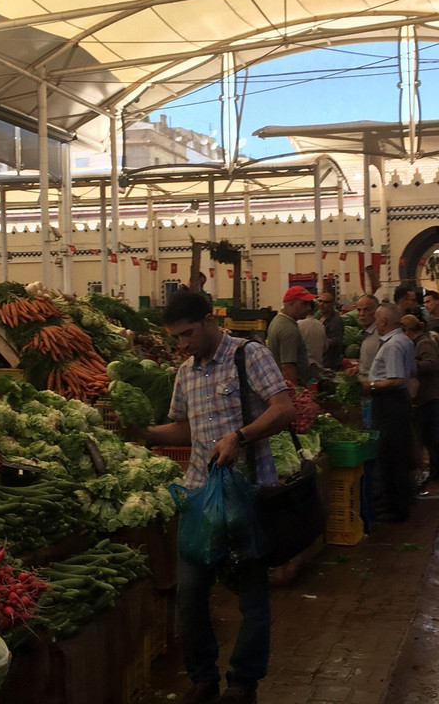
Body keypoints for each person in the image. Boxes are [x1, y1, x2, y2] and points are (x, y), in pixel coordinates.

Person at [146, 290, 296, 704]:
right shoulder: (185, 373)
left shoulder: (249, 355)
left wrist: (240, 436)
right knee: (190, 596)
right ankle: (202, 678)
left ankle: (242, 683)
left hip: (246, 497)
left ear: (209, 321)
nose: (183, 344)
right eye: (176, 338)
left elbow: (284, 410)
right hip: (199, 496)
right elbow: (185, 430)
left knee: (252, 597)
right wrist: (145, 434)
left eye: (188, 334)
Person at [359, 304, 415, 522]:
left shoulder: (392, 345)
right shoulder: (404, 340)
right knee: (398, 454)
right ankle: (399, 503)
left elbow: (397, 379)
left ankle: (397, 509)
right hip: (398, 403)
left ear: (383, 322)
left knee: (391, 456)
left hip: (390, 403)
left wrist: (371, 386)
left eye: (376, 317)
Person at [401, 314, 439, 498]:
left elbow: (432, 364)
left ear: (407, 330)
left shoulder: (423, 343)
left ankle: (436, 482)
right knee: (436, 440)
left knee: (434, 440)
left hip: (433, 398)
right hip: (431, 398)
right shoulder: (423, 341)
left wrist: (410, 364)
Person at [266, 286, 314, 385]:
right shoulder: (289, 330)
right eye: (304, 303)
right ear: (291, 303)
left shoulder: (278, 320)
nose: (309, 308)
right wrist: (295, 395)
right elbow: (288, 368)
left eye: (309, 304)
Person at [318, 292, 346, 370]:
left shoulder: (335, 320)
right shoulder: (320, 317)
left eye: (326, 302)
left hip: (330, 364)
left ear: (333, 304)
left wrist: (320, 342)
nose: (322, 304)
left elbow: (336, 341)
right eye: (320, 301)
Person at [297, 307, 327, 376]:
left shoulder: (297, 324)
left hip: (303, 372)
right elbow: (325, 348)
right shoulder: (321, 326)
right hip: (318, 370)